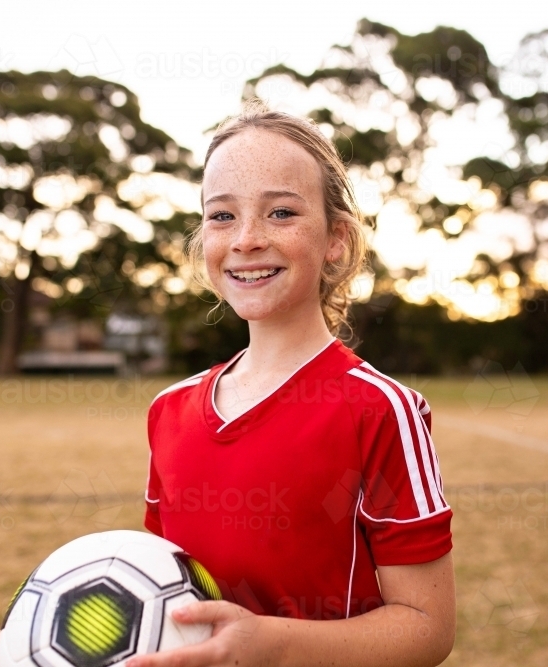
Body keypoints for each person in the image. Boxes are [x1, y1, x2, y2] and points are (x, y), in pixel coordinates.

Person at [128, 101, 455, 667]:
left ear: (336, 238)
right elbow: (161, 595)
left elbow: (427, 628)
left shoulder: (380, 410)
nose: (247, 239)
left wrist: (272, 644)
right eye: (221, 216)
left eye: (280, 213)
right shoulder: (169, 409)